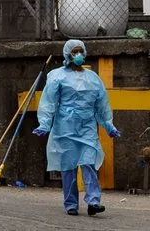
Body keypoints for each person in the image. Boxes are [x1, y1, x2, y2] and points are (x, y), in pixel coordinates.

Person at [32, 39, 121, 216]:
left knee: (88, 162)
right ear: (67, 54)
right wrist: (44, 123)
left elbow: (101, 104)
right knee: (68, 167)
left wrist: (108, 125)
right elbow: (49, 102)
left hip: (86, 127)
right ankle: (71, 204)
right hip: (65, 127)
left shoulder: (93, 78)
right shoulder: (57, 76)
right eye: (74, 51)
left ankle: (93, 201)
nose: (78, 55)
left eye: (81, 51)